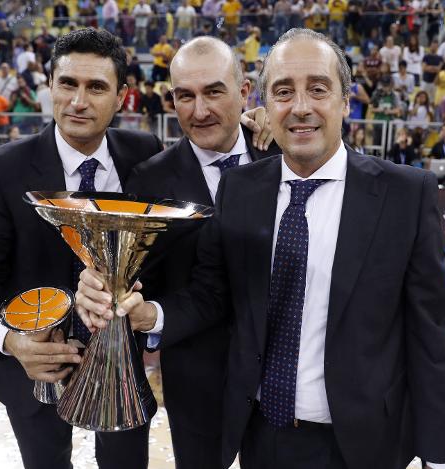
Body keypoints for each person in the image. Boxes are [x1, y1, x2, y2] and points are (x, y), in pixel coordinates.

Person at [77, 28, 445, 469]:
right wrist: (149, 314)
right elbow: (212, 292)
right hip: (262, 437)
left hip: (367, 442)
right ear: (266, 104)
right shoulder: (240, 189)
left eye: (317, 88)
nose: (300, 106)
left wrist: (441, 460)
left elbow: (430, 339)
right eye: (283, 91)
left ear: (345, 100)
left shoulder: (405, 194)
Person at [0, 28, 164, 469]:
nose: (78, 101)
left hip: (119, 365)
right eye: (68, 83)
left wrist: (251, 128)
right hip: (37, 364)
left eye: (96, 87)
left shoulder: (145, 153)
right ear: (50, 85)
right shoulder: (1, 170)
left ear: (122, 96)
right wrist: (12, 342)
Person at [121, 36, 281, 469]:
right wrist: (143, 309)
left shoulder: (288, 152)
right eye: (185, 96)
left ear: (245, 92)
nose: (200, 109)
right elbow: (144, 282)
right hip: (195, 379)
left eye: (214, 91)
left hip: (286, 376)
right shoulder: (148, 181)